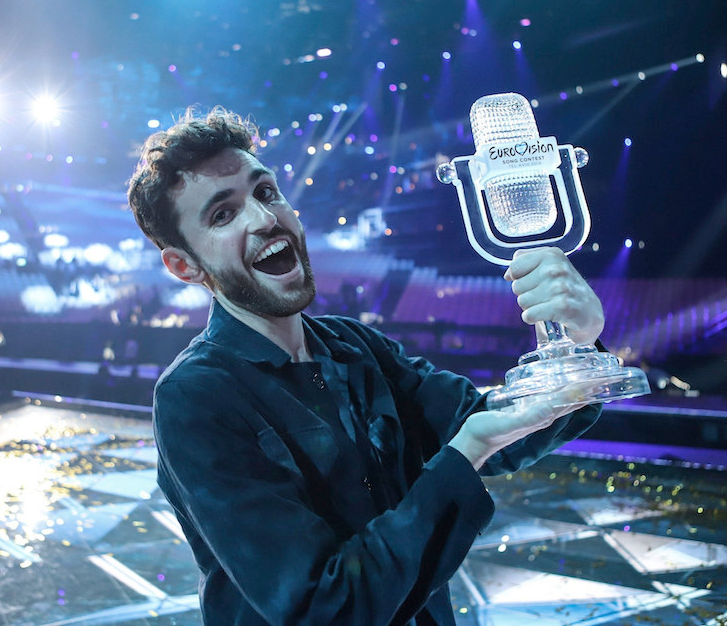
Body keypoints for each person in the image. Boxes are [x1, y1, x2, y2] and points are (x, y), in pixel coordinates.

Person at [127, 107, 605, 625]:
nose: (264, 219)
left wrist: (577, 348)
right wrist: (470, 449)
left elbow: (492, 423)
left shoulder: (355, 345)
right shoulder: (195, 396)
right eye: (223, 214)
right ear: (184, 264)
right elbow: (324, 609)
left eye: (265, 192)